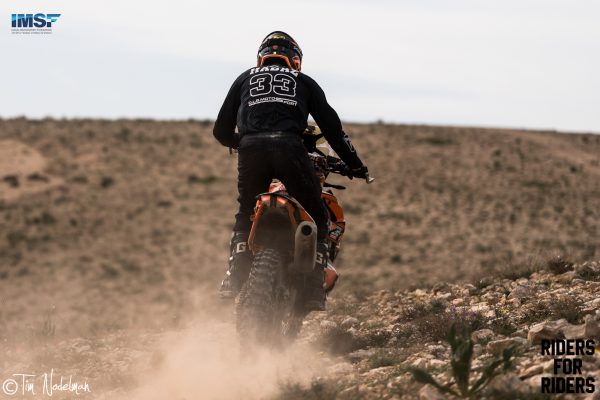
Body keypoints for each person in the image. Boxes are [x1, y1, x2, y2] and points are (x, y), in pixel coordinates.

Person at [213, 31, 368, 311]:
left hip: (251, 151)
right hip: (290, 148)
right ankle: (313, 289)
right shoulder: (304, 81)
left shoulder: (244, 78)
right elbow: (333, 130)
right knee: (318, 216)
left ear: (261, 57)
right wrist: (356, 165)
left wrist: (246, 141)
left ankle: (233, 277)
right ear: (295, 59)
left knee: (246, 211)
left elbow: (220, 131)